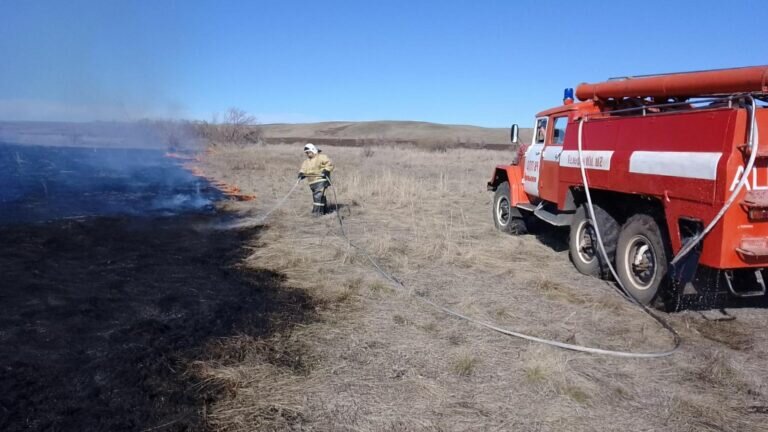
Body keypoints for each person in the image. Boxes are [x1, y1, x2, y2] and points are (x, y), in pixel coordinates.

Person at [298, 143, 334, 215]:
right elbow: (303, 168)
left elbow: (329, 164)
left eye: (309, 152)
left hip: (321, 180)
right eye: (306, 153)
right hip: (312, 182)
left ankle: (317, 213)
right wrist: (301, 173)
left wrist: (326, 170)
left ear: (313, 150)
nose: (308, 154)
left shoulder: (321, 157)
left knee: (318, 196)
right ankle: (324, 211)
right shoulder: (306, 161)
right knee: (320, 196)